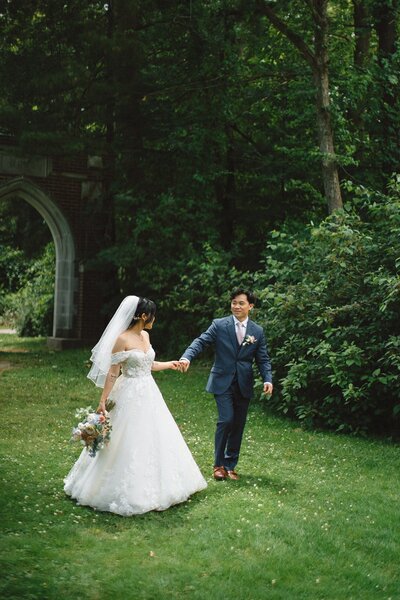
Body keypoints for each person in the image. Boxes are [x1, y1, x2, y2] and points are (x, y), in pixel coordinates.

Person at [64, 295, 207, 516]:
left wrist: (170, 364)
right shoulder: (122, 339)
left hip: (149, 392)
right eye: (152, 316)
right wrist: (103, 400)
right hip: (128, 392)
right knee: (127, 438)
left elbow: (148, 364)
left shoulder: (145, 336)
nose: (154, 319)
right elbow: (113, 372)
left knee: (156, 435)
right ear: (143, 316)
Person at [179, 289, 273, 481]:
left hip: (243, 383)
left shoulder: (257, 331)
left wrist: (267, 378)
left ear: (251, 306)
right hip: (222, 381)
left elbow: (262, 359)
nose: (236, 306)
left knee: (238, 424)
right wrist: (186, 356)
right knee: (226, 419)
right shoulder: (219, 325)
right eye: (233, 303)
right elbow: (201, 341)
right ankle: (218, 465)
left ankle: (230, 465)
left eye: (241, 303)